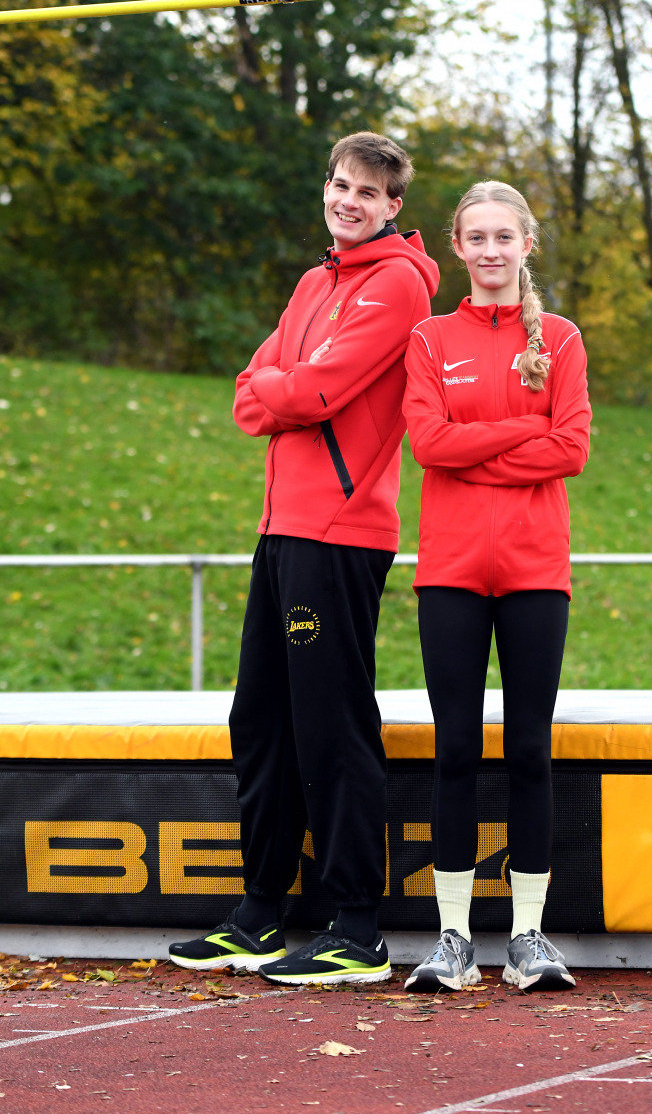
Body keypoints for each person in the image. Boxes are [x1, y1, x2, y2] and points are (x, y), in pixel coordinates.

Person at [169, 132, 439, 984]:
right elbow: (252, 389)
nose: (347, 200)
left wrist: (287, 385)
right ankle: (261, 912)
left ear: (394, 205)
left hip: (343, 528)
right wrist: (285, 384)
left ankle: (356, 925)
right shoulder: (314, 279)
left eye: (367, 191)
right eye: (338, 184)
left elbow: (312, 389)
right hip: (283, 524)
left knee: (332, 724)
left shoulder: (396, 283)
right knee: (260, 721)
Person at [401, 180, 590, 993]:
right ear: (456, 245)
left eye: (501, 237)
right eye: (474, 237)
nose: (487, 251)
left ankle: (526, 939)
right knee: (453, 750)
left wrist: (475, 440)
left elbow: (572, 446)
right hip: (449, 570)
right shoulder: (427, 336)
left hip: (534, 570)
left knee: (527, 751)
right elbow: (426, 444)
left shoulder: (563, 338)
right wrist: (522, 430)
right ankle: (452, 940)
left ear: (525, 245)